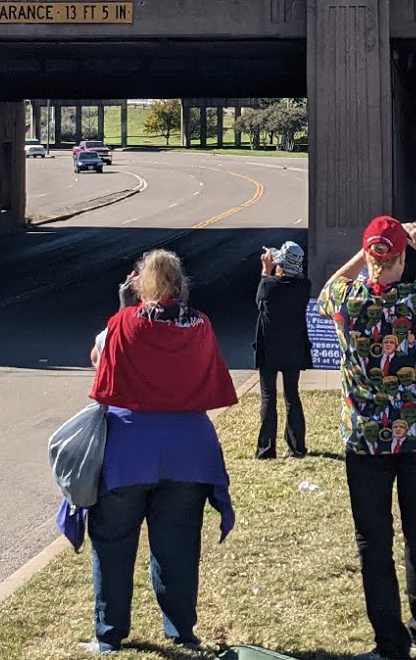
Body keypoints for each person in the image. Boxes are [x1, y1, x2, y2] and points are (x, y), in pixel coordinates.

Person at [320, 218, 416, 660]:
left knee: (373, 540)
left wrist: (365, 255)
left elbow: (331, 284)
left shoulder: (344, 301)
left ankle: (390, 642)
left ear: (369, 257)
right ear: (402, 258)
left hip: (366, 440)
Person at [75, 249, 237, 655]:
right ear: (181, 285)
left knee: (113, 545)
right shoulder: (199, 325)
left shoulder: (122, 324)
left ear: (139, 284)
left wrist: (123, 307)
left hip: (128, 453)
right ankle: (182, 631)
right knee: (179, 545)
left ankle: (109, 635)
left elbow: (100, 364)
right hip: (189, 451)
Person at [254, 240, 311, 460]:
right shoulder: (304, 287)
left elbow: (259, 301)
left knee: (268, 396)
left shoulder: (269, 286)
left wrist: (265, 271)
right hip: (294, 348)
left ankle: (266, 449)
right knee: (292, 396)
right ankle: (297, 447)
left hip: (269, 349)